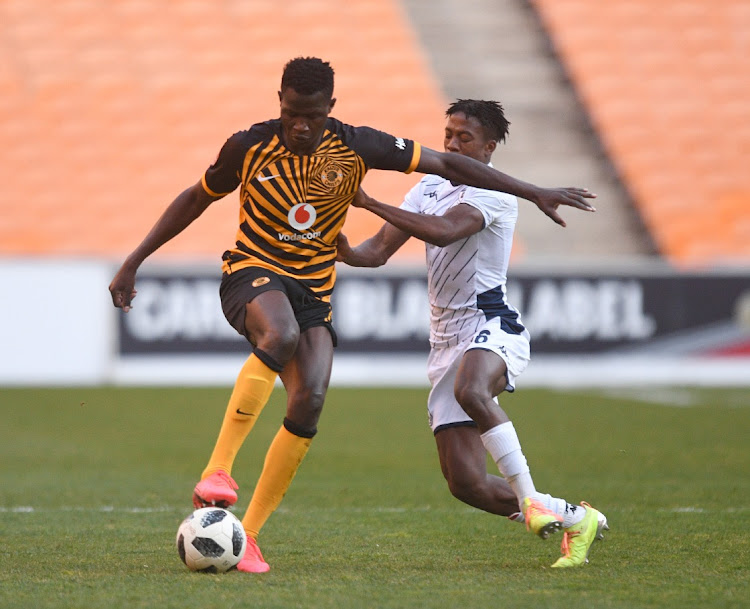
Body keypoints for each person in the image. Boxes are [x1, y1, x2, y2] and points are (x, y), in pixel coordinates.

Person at [108, 58, 596, 573]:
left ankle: (248, 536)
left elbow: (445, 205)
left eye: (312, 117)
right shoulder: (248, 145)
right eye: (292, 113)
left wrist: (531, 189)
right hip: (253, 271)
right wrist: (134, 261)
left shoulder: (370, 150)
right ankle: (218, 471)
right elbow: (198, 198)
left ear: (330, 110)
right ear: (280, 101)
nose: (300, 126)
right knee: (280, 334)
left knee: (313, 399)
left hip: (379, 304)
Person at [336, 99, 608, 568]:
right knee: (466, 484)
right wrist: (338, 250)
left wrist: (371, 201)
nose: (452, 144)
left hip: (491, 325)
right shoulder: (427, 187)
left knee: (472, 390)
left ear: (490, 146)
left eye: (465, 137)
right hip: (444, 343)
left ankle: (532, 501)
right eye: (448, 134)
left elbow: (443, 233)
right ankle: (572, 516)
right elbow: (377, 251)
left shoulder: (495, 196)